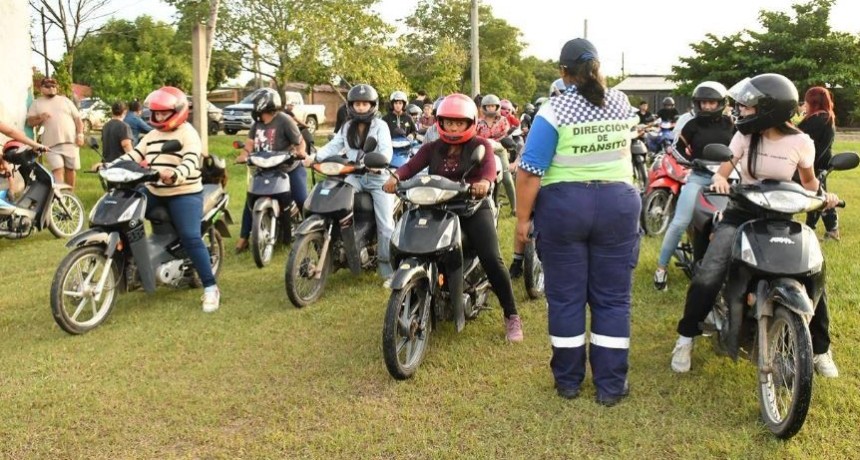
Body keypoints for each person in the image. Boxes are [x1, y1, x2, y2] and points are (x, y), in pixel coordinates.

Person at [670, 73, 841, 378]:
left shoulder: (802, 142)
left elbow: (810, 183)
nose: (741, 111)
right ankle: (686, 338)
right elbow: (722, 172)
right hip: (741, 213)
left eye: (748, 106)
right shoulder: (743, 136)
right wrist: (721, 180)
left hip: (782, 217)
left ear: (769, 108)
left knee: (813, 274)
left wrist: (824, 196)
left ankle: (821, 349)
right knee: (709, 274)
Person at [515, 38, 640, 405]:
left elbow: (530, 170)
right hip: (618, 205)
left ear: (562, 72)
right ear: (598, 67)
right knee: (613, 300)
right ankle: (611, 387)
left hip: (565, 209)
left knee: (567, 299)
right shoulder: (621, 101)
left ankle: (569, 382)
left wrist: (522, 220)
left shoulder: (554, 109)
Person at [382, 93, 523, 342]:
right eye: (448, 122)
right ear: (441, 122)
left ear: (469, 123)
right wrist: (395, 178)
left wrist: (484, 182)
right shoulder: (431, 148)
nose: (453, 127)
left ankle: (511, 315)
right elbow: (411, 166)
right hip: (437, 207)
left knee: (491, 258)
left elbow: (489, 169)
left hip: (471, 207)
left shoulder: (481, 146)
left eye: (459, 123)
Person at [105, 86, 221, 312]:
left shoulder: (188, 134)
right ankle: (134, 265)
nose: (157, 117)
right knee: (124, 216)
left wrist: (176, 174)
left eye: (163, 113)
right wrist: (110, 165)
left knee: (190, 237)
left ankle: (210, 288)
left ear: (177, 111)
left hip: (184, 192)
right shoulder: (153, 135)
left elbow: (190, 161)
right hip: (155, 191)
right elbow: (135, 155)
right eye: (155, 113)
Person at [653, 82, 734, 291]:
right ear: (697, 104)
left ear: (721, 103)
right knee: (680, 222)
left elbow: (740, 150)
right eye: (703, 102)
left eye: (711, 102)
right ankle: (661, 268)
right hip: (699, 177)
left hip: (728, 179)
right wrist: (691, 162)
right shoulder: (691, 125)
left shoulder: (732, 124)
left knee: (739, 221)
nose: (707, 106)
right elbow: (676, 150)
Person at [315, 84, 395, 278]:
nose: (360, 108)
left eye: (364, 104)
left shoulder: (381, 126)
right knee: (335, 203)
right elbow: (333, 146)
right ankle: (338, 249)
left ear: (372, 105)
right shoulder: (347, 126)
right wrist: (314, 157)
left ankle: (388, 271)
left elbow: (386, 150)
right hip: (355, 176)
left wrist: (378, 162)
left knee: (385, 225)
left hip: (378, 179)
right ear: (351, 105)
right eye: (357, 104)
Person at [234, 88, 308, 254]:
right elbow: (250, 144)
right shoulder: (257, 123)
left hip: (289, 168)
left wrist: (300, 152)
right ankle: (244, 237)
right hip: (265, 168)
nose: (258, 112)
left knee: (302, 199)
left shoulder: (285, 120)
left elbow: (300, 142)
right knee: (251, 200)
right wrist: (244, 154)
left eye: (259, 109)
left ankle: (312, 233)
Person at [26, 77, 84, 189]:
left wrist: (80, 134)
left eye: (53, 86)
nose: (51, 88)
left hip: (70, 141)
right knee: (58, 169)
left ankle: (69, 195)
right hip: (50, 145)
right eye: (48, 86)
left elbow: (78, 119)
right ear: (42, 88)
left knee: (70, 169)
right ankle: (59, 196)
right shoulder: (37, 103)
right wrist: (40, 117)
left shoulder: (65, 101)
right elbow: (29, 122)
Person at [798, 86, 838, 241]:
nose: (804, 104)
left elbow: (800, 138)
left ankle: (829, 230)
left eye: (806, 101)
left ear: (812, 101)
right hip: (820, 163)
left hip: (814, 164)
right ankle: (821, 229)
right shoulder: (826, 117)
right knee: (818, 196)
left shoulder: (817, 120)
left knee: (819, 198)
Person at [476, 94, 516, 215]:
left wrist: (497, 141)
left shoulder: (503, 121)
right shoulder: (479, 123)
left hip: (500, 151)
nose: (491, 108)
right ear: (484, 107)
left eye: (493, 106)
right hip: (485, 152)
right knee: (484, 177)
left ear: (497, 107)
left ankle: (515, 207)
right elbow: (475, 137)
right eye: (488, 106)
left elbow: (506, 136)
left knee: (507, 178)